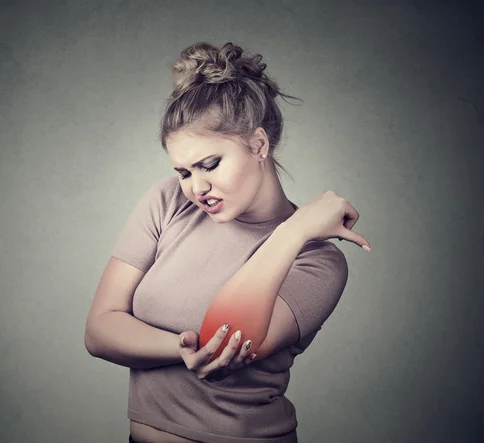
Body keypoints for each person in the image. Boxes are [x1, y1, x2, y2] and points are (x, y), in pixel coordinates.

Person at [85, 42, 371, 443]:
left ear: (258, 145)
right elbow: (99, 330)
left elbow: (227, 344)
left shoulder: (318, 260)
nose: (197, 188)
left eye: (210, 164)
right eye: (184, 171)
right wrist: (179, 348)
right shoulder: (168, 201)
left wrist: (292, 229)